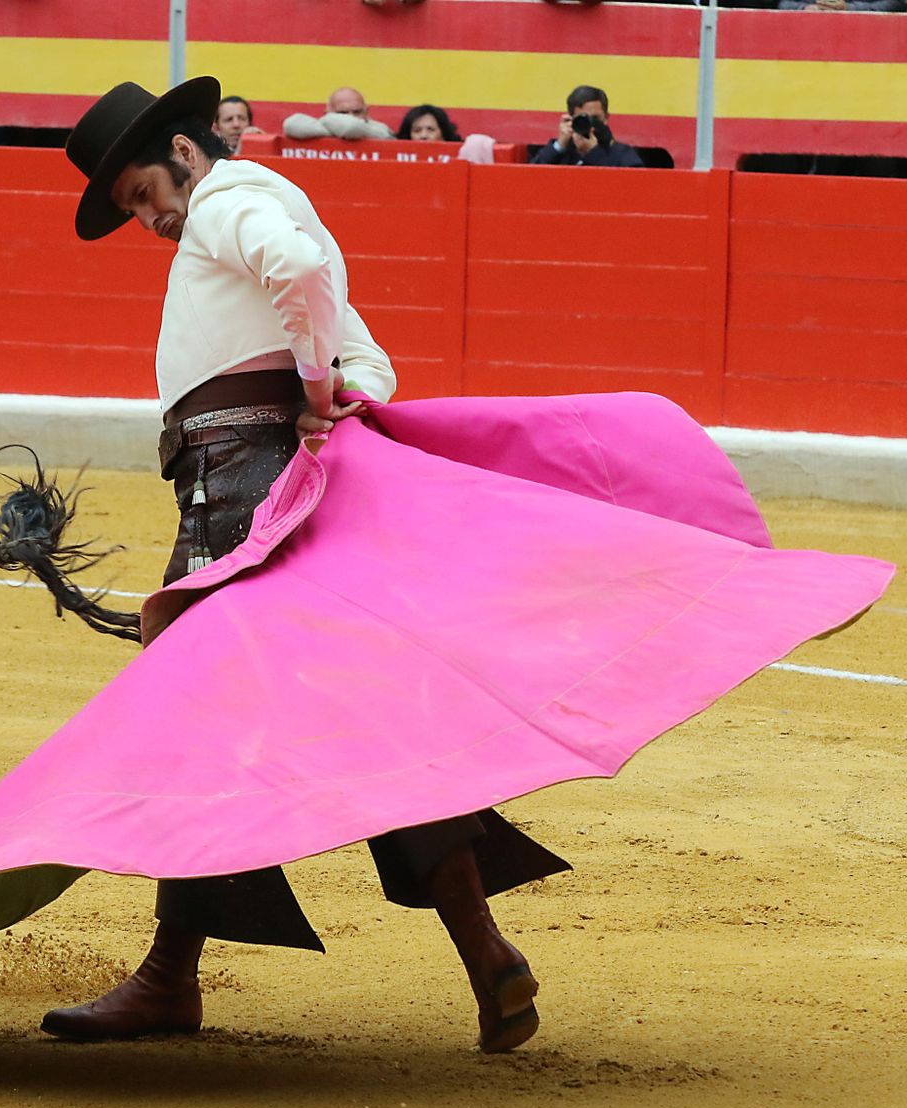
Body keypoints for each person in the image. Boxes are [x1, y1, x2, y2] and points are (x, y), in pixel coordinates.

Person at [45, 76, 568, 1055]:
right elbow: (370, 360)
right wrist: (337, 396)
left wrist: (318, 391)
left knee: (191, 723)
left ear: (185, 154)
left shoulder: (228, 204)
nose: (150, 220)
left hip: (237, 498)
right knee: (364, 717)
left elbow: (308, 290)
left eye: (143, 195)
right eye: (133, 210)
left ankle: (169, 978)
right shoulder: (266, 201)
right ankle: (483, 950)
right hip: (264, 485)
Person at [531, 85, 645, 167]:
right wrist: (559, 146)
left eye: (595, 118)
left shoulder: (622, 154)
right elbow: (529, 178)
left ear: (606, 118)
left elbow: (633, 189)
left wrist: (594, 153)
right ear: (570, 119)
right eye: (583, 119)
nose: (591, 125)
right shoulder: (561, 152)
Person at [283, 86, 394, 141]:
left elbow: (352, 127)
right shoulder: (324, 123)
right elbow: (290, 125)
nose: (351, 117)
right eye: (343, 113)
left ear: (366, 111)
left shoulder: (380, 130)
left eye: (357, 112)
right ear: (327, 113)